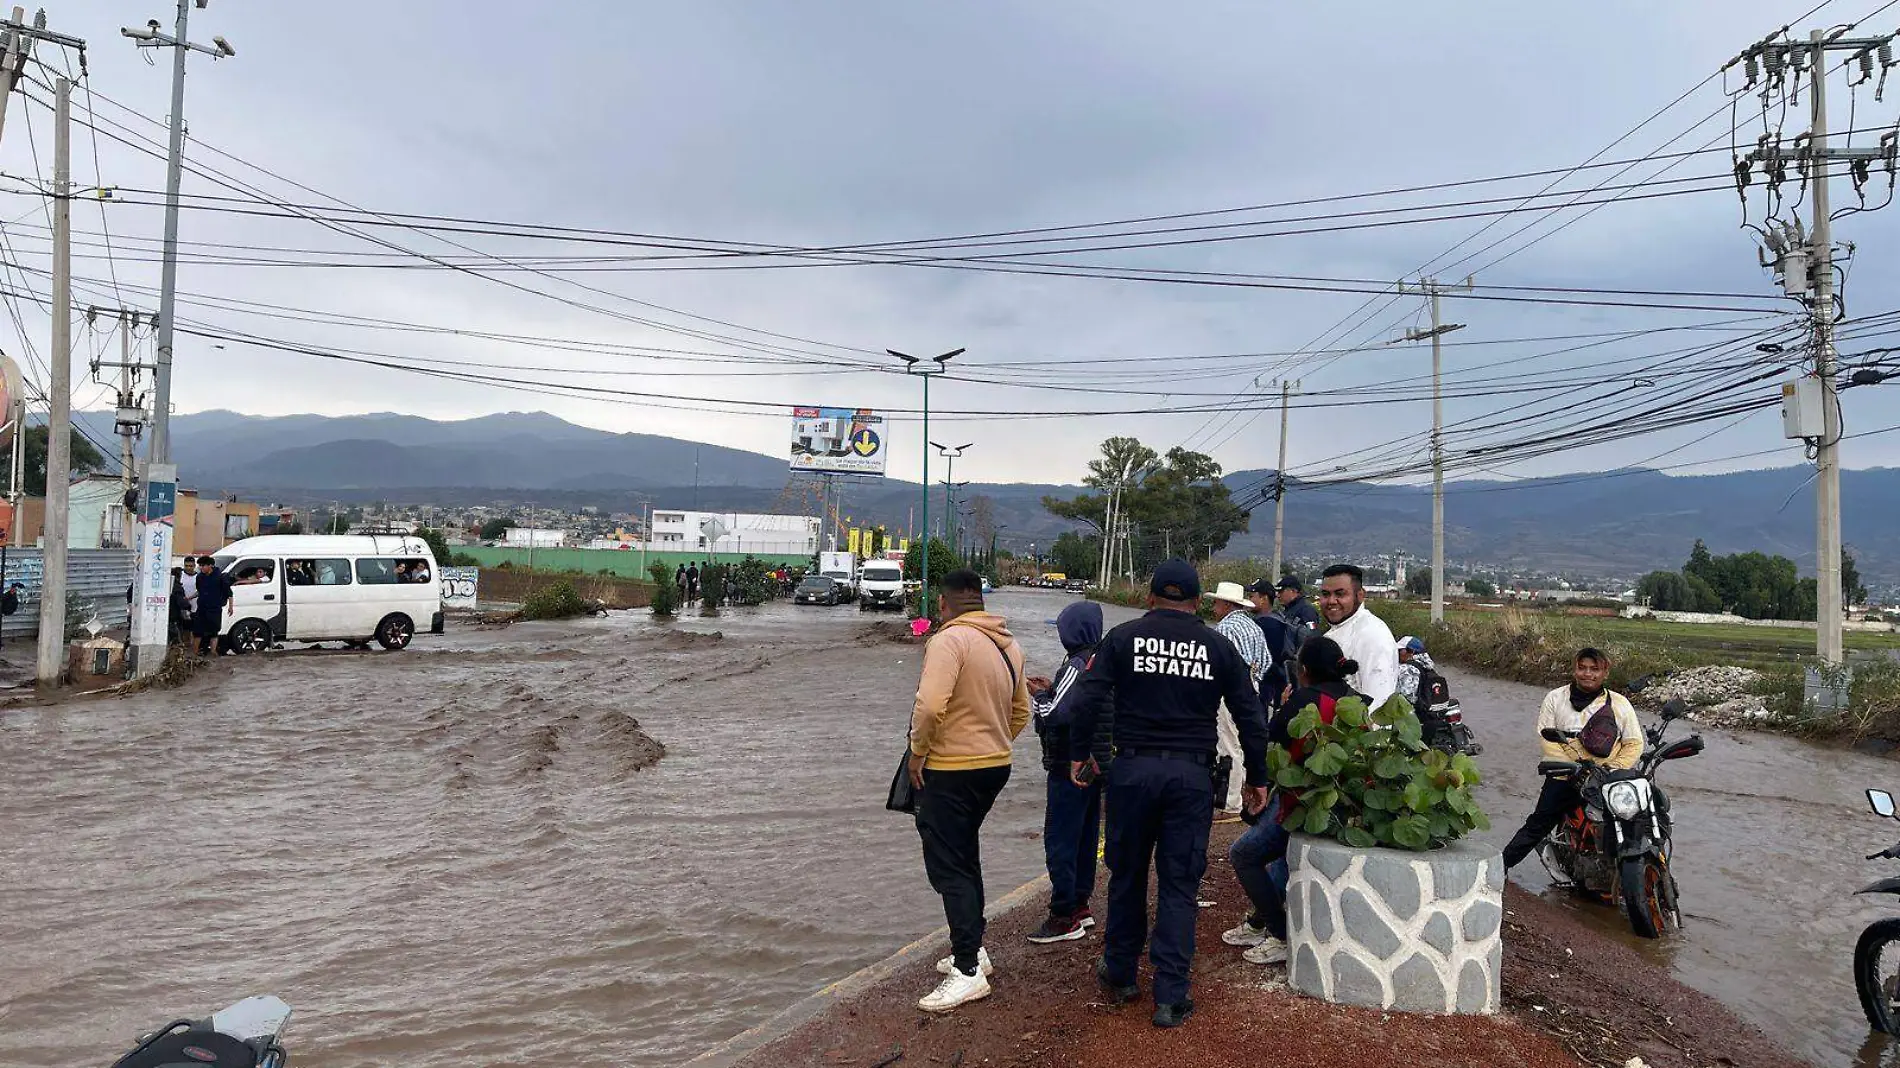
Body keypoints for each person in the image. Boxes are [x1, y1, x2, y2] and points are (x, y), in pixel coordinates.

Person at [1068, 560, 1270, 1029]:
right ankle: (1171, 995)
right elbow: (1250, 719)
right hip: (1190, 778)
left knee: (1127, 875)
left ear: (1150, 597)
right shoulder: (1218, 647)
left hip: (1132, 772)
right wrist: (1257, 777)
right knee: (1179, 883)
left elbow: (1086, 700)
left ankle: (1120, 974)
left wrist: (1080, 755)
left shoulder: (1121, 639)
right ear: (1198, 602)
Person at [907, 568, 1032, 1014]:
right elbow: (1022, 711)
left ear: (943, 603)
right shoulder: (1007, 643)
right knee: (965, 856)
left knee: (950, 867)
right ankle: (973, 949)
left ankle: (967, 971)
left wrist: (917, 754)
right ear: (980, 599)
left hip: (950, 769)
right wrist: (993, 742)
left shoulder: (949, 640)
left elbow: (929, 705)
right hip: (994, 765)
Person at [1224, 636, 1366, 965]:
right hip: (1340, 803)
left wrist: (1288, 702)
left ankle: (1278, 934)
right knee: (1279, 860)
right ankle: (1261, 920)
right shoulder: (1356, 700)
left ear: (1303, 670)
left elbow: (1271, 740)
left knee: (1244, 855)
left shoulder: (1305, 700)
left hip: (1301, 800)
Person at [1502, 647, 1645, 870]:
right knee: (1538, 824)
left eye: (1594, 669)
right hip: (1564, 775)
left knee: (1629, 821)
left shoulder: (1620, 704)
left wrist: (1612, 767)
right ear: (1574, 670)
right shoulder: (1555, 698)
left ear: (1605, 673)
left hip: (1606, 778)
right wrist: (1574, 767)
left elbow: (1634, 743)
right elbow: (1546, 737)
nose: (1588, 674)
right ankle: (1499, 868)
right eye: (1582, 668)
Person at [1025, 599, 1107, 945]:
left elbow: (1057, 715)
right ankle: (1081, 906)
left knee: (1060, 839)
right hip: (1096, 764)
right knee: (1086, 838)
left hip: (1067, 765)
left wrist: (1041, 696)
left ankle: (1062, 915)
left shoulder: (1076, 663)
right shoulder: (1101, 660)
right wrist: (1054, 690)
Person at [1206, 580, 1270, 816]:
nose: (1214, 607)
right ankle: (1239, 791)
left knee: (1228, 742)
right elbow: (1266, 661)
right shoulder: (1254, 627)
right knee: (1242, 740)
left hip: (1229, 689)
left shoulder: (1225, 629)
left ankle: (1231, 800)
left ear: (1226, 604)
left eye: (1216, 602)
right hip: (1252, 686)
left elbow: (1224, 664)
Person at [1315, 564, 1399, 708]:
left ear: (1360, 595)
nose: (1331, 601)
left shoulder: (1372, 635)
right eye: (1326, 594)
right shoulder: (1335, 632)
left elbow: (1377, 706)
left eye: (1340, 594)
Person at [1248, 579, 1298, 710]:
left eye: (1252, 596)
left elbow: (1268, 658)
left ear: (1263, 598)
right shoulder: (1275, 618)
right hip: (1272, 681)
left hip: (1267, 683)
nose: (1248, 600)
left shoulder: (1268, 624)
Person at [191, 556, 234, 657]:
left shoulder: (220, 577)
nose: (201, 568)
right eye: (200, 566)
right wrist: (190, 597)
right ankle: (195, 653)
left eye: (203, 566)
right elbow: (199, 591)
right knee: (197, 631)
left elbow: (229, 593)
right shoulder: (200, 577)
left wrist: (230, 607)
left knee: (214, 631)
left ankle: (213, 652)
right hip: (201, 608)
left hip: (215, 608)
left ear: (210, 565)